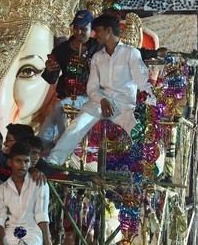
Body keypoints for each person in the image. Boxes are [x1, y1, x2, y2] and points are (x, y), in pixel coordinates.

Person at [48, 14, 153, 167]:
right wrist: (102, 100)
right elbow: (92, 87)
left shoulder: (131, 53)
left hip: (125, 106)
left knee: (138, 131)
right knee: (77, 124)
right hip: (99, 103)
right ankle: (53, 162)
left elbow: (143, 84)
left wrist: (151, 107)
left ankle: (143, 169)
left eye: (98, 31)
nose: (95, 35)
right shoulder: (97, 57)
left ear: (108, 31)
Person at [39, 10, 96, 145]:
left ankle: (67, 145)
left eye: (83, 29)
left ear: (91, 29)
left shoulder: (98, 48)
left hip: (88, 96)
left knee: (61, 107)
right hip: (66, 96)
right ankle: (48, 153)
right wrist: (49, 70)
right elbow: (51, 79)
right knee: (43, 137)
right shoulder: (61, 50)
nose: (78, 32)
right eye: (76, 28)